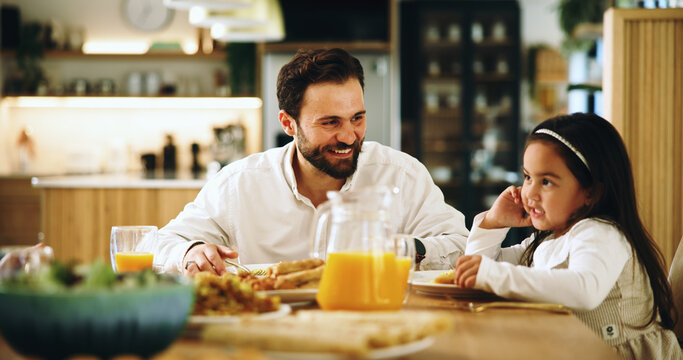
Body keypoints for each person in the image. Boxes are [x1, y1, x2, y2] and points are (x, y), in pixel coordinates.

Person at [154, 48, 469, 275]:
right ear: (288, 124)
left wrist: (406, 248)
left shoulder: (402, 175)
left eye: (357, 118)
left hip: (374, 320)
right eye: (330, 123)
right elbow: (165, 243)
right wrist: (191, 251)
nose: (349, 136)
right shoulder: (240, 183)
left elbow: (460, 246)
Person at [453, 113, 681, 359]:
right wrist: (493, 223)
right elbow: (480, 272)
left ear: (590, 192)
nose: (530, 193)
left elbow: (585, 289)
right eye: (528, 177)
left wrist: (492, 274)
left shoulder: (601, 232)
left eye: (547, 182)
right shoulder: (549, 239)